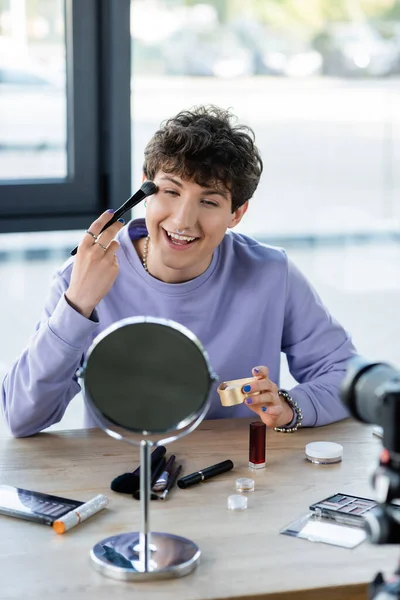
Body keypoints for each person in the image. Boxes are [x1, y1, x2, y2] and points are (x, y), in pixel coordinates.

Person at [1, 105, 356, 438]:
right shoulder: (81, 277)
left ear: (237, 213)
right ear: (145, 188)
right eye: (170, 191)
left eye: (209, 201)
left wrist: (291, 407)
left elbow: (347, 374)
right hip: (122, 481)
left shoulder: (270, 274)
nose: (182, 219)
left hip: (238, 483)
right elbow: (21, 417)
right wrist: (76, 305)